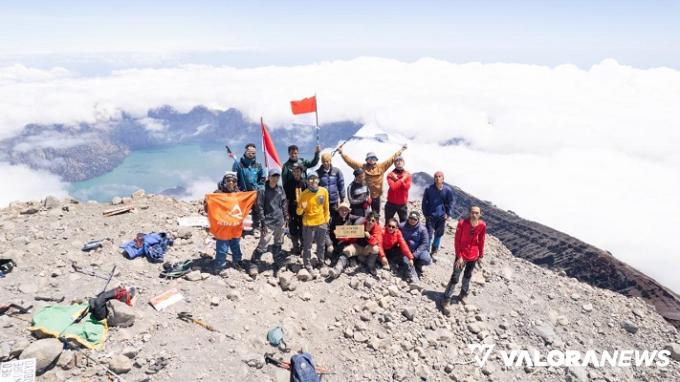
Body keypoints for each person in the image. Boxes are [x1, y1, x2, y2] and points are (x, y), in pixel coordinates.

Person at [337, 145, 406, 217]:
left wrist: (401, 151)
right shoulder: (362, 167)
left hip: (376, 195)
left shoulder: (382, 166)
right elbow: (351, 162)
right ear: (366, 160)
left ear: (376, 159)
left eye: (373, 158)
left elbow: (391, 159)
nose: (371, 159)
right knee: (364, 215)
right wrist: (342, 153)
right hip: (365, 197)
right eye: (369, 158)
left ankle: (376, 226)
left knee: (376, 214)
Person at [442, 206, 486, 313]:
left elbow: (481, 240)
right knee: (455, 277)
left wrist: (480, 255)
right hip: (462, 255)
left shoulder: (482, 225)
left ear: (480, 214)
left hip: (474, 255)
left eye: (476, 213)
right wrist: (459, 256)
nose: (474, 214)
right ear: (469, 213)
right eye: (472, 212)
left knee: (467, 276)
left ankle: (463, 294)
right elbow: (457, 241)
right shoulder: (462, 223)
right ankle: (447, 298)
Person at [250, 168, 288, 277]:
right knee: (264, 242)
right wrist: (263, 222)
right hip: (268, 221)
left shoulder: (280, 189)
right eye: (273, 176)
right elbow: (259, 207)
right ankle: (254, 263)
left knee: (279, 241)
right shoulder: (263, 190)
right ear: (269, 177)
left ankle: (277, 262)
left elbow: (284, 202)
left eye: (277, 176)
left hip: (280, 220)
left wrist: (286, 217)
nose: (275, 178)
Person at [204, 171, 245, 272]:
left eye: (233, 181)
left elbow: (244, 206)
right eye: (228, 180)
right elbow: (207, 208)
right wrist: (208, 203)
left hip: (234, 226)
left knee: (235, 245)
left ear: (236, 182)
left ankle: (237, 262)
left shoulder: (239, 195)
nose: (231, 183)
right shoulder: (217, 194)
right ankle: (220, 266)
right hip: (222, 226)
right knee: (222, 247)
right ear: (224, 182)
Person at [328, 212, 387, 278]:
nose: (370, 222)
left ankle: (370, 267)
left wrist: (369, 237)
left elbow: (377, 241)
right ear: (366, 219)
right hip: (357, 246)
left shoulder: (378, 228)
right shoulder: (361, 225)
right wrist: (340, 235)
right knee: (347, 250)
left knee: (375, 248)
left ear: (376, 221)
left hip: (367, 248)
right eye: (369, 219)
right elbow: (350, 236)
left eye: (373, 221)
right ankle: (337, 270)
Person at [296, 173, 331, 274]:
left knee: (321, 245)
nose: (313, 181)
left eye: (315, 179)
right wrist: (302, 207)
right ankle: (307, 265)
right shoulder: (304, 194)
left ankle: (321, 262)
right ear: (307, 182)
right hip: (308, 224)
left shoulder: (324, 191)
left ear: (318, 180)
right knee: (307, 246)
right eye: (310, 179)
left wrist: (326, 219)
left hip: (321, 223)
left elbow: (326, 207)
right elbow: (298, 212)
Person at [422, 171, 455, 260]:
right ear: (434, 178)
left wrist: (448, 214)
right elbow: (424, 202)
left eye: (440, 176)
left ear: (443, 179)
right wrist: (425, 213)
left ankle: (434, 250)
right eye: (436, 176)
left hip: (441, 216)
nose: (438, 178)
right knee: (428, 234)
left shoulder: (447, 190)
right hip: (430, 216)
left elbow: (450, 202)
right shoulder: (429, 189)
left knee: (438, 234)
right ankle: (426, 251)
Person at [382, 218, 418, 284]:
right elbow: (379, 246)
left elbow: (403, 244)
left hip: (391, 250)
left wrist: (410, 257)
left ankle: (413, 277)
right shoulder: (382, 232)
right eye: (389, 226)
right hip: (382, 252)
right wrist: (383, 256)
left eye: (393, 227)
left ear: (396, 228)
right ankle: (392, 265)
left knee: (404, 254)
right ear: (386, 225)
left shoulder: (398, 233)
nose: (390, 228)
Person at [283, 163, 307, 255]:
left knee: (303, 230)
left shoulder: (305, 183)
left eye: (298, 171)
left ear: (301, 172)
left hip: (303, 211)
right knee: (293, 229)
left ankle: (303, 248)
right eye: (294, 171)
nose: (296, 173)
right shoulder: (288, 184)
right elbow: (286, 199)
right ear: (292, 172)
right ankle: (295, 247)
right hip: (292, 210)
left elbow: (308, 198)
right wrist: (287, 212)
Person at [399, 211, 432, 277]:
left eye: (415, 219)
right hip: (406, 250)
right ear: (408, 218)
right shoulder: (401, 226)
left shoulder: (422, 229)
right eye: (411, 218)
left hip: (417, 250)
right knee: (406, 263)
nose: (412, 220)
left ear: (418, 220)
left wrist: (415, 254)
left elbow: (425, 243)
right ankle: (412, 276)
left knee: (426, 259)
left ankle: (417, 265)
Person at [384, 156, 411, 223]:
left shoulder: (408, 174)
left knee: (403, 224)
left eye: (400, 160)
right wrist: (402, 179)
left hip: (402, 204)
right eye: (397, 161)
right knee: (388, 223)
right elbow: (393, 187)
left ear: (404, 163)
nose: (399, 162)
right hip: (391, 203)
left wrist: (396, 180)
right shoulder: (390, 174)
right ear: (394, 164)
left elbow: (406, 188)